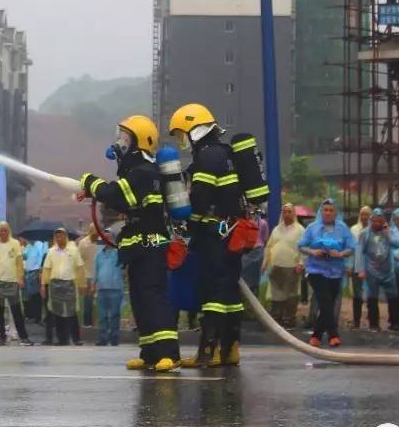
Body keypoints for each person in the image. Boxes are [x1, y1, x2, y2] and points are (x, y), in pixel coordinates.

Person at [168, 103, 267, 368]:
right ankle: (230, 349)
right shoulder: (227, 153)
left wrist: (185, 218)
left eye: (183, 133)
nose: (183, 140)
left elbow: (200, 199)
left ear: (195, 130)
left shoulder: (206, 157)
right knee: (230, 294)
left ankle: (207, 352)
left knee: (212, 293)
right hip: (233, 234)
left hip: (214, 236)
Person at [78, 114, 180, 370]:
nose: (120, 143)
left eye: (125, 138)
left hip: (151, 246)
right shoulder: (137, 172)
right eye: (120, 136)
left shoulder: (145, 172)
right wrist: (92, 189)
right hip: (138, 247)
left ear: (140, 143)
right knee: (139, 298)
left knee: (154, 297)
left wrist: (90, 181)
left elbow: (116, 195)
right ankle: (149, 353)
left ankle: (169, 353)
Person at [298, 199, 355, 347]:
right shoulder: (312, 228)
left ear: (336, 212)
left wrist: (341, 254)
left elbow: (351, 248)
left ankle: (316, 336)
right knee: (324, 300)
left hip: (336, 271)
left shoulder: (343, 228)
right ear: (321, 211)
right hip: (316, 269)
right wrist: (313, 251)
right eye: (325, 210)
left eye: (331, 210)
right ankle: (333, 335)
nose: (328, 213)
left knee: (328, 303)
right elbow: (301, 246)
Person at [0, 221, 33, 346]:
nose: (3, 232)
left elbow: (19, 262)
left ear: (9, 231)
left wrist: (20, 278)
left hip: (12, 281)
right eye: (1, 230)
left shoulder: (15, 243)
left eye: (5, 230)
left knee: (17, 311)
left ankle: (23, 337)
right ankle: (2, 336)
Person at [355, 208, 398, 332]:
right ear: (371, 220)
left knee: (393, 296)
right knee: (372, 297)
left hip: (387, 270)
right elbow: (359, 252)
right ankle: (374, 324)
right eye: (375, 221)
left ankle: (394, 322)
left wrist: (388, 233)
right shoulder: (364, 233)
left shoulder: (387, 231)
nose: (377, 224)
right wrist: (360, 269)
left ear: (384, 221)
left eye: (380, 221)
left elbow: (397, 244)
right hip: (371, 270)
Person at [262, 203, 304, 328]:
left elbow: (304, 248)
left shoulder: (300, 230)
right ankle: (276, 319)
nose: (286, 214)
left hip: (292, 266)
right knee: (276, 293)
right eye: (284, 212)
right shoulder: (276, 229)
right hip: (275, 266)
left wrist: (301, 263)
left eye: (289, 212)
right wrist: (265, 263)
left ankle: (289, 319)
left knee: (291, 295)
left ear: (293, 213)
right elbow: (269, 247)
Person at [40, 227, 84, 346]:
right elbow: (46, 269)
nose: (59, 238)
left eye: (61, 235)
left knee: (72, 312)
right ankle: (62, 339)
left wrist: (81, 284)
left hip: (69, 283)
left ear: (65, 236)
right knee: (57, 313)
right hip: (55, 284)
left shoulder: (73, 250)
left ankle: (76, 338)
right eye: (57, 236)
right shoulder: (51, 251)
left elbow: (79, 268)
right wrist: (43, 285)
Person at [93, 235, 125, 346]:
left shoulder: (118, 253)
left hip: (115, 288)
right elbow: (96, 270)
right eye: (105, 238)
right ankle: (103, 338)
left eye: (109, 238)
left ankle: (114, 338)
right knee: (102, 316)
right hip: (102, 289)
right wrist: (93, 284)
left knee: (115, 315)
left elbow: (124, 267)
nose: (107, 240)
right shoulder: (99, 254)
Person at [348, 205, 371, 328]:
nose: (364, 217)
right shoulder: (353, 230)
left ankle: (373, 322)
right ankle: (356, 321)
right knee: (357, 295)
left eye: (367, 214)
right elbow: (351, 250)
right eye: (362, 214)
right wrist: (350, 266)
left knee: (372, 294)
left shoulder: (375, 229)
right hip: (357, 266)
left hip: (372, 267)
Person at [75, 228, 99, 328]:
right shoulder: (83, 243)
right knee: (88, 301)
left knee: (97, 302)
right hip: (88, 275)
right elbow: (78, 259)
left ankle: (95, 322)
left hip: (98, 275)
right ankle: (87, 322)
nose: (96, 235)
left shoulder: (100, 242)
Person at [22, 236, 48, 324]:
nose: (27, 239)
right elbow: (24, 255)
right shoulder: (29, 246)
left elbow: (41, 259)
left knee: (37, 296)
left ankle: (39, 317)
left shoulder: (40, 245)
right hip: (29, 273)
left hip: (36, 272)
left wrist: (40, 272)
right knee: (32, 296)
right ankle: (34, 315)